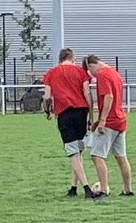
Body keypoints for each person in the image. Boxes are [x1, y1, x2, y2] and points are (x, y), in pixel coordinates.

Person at [41, 48, 96, 199]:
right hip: (81, 113)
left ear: (60, 59)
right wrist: (91, 116)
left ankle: (87, 188)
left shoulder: (51, 73)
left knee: (72, 152)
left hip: (65, 114)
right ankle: (73, 188)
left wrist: (47, 111)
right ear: (72, 58)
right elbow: (87, 94)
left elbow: (47, 96)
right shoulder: (81, 72)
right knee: (78, 151)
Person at [84, 54, 133, 197]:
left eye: (90, 71)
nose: (92, 75)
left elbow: (109, 96)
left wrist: (102, 120)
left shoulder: (102, 75)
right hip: (120, 120)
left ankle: (103, 190)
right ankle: (128, 189)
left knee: (97, 156)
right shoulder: (115, 73)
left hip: (110, 122)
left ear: (91, 66)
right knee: (121, 157)